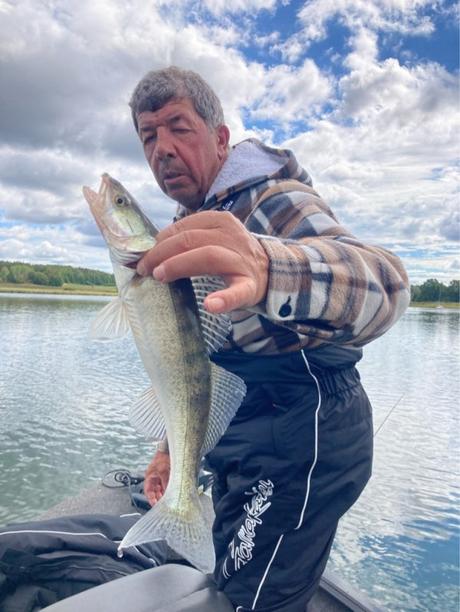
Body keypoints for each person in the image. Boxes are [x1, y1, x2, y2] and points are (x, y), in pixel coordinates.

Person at [129, 66, 410, 612]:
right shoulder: (187, 224)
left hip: (307, 439)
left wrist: (266, 264)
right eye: (148, 136)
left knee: (253, 602)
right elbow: (195, 360)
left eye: (178, 127)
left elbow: (389, 285)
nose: (162, 149)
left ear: (220, 138)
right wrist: (168, 450)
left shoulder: (270, 200)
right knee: (229, 581)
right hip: (245, 440)